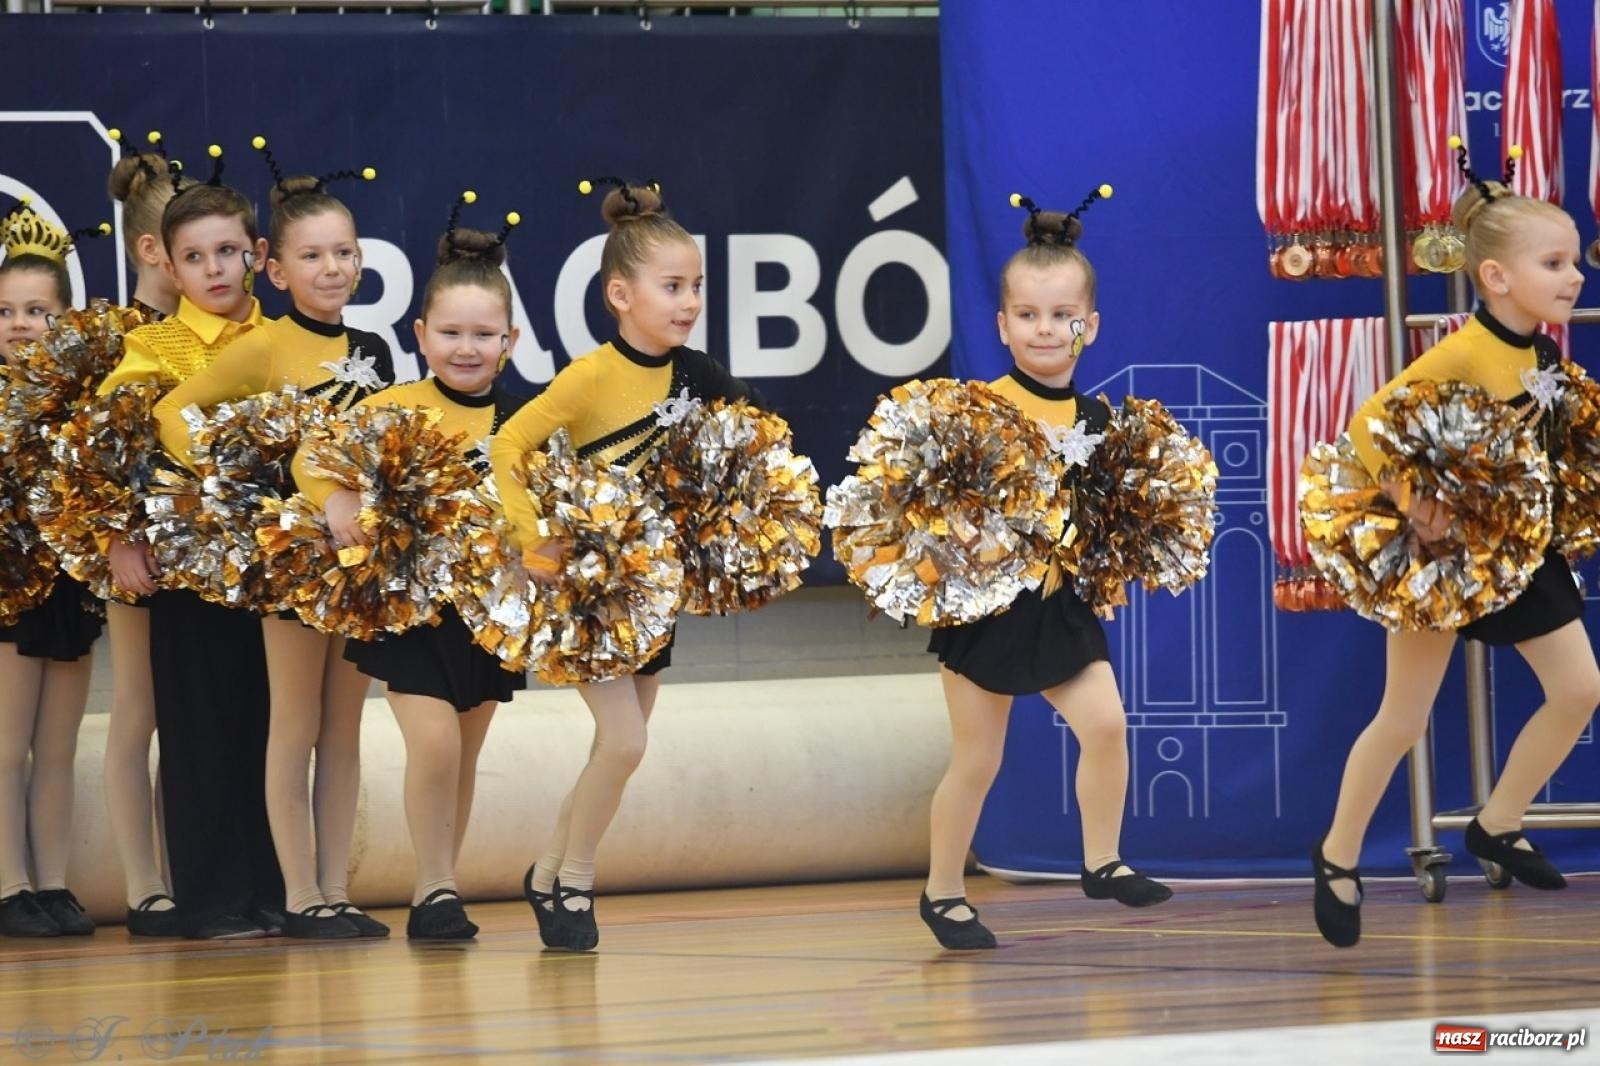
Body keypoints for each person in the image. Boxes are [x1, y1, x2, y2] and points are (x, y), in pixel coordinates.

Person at [1312, 141, 1599, 948]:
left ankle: (1496, 821)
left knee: (1579, 689)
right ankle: (1336, 855)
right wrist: (1415, 503)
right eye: (1554, 262)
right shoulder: (1465, 348)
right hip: (1440, 561)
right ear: (1497, 277)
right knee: (1402, 719)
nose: (1574, 277)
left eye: (1575, 261)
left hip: (1514, 551)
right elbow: (1371, 426)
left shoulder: (1540, 350)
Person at [491, 178, 762, 952]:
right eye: (671, 286)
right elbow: (508, 445)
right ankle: (574, 880)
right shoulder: (589, 377)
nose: (687, 301)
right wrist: (530, 536)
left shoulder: (701, 375)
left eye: (696, 286)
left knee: (621, 746)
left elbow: (758, 446)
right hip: (583, 589)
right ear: (619, 294)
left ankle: (545, 872)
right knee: (626, 743)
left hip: (651, 594)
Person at [918, 188, 1171, 951]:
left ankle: (1102, 860)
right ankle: (942, 893)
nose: (1045, 330)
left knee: (1108, 725)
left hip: (1059, 608)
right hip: (986, 612)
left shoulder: (1098, 421)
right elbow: (935, 511)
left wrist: (1114, 566)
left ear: (1089, 327)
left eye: (1061, 316)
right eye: (1027, 316)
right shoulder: (978, 408)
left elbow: (1102, 519)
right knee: (977, 760)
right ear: (1002, 325)